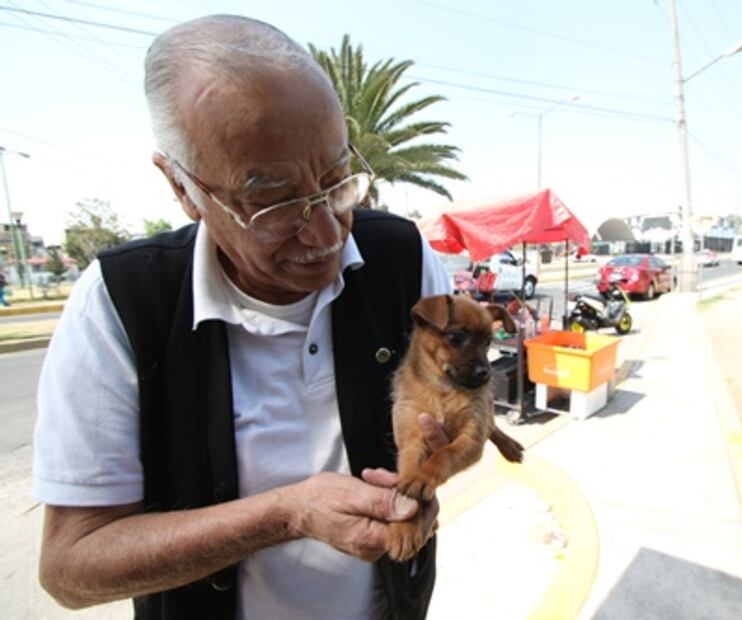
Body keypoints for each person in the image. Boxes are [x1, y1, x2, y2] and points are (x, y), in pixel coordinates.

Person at [33, 15, 452, 620]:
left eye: (337, 179)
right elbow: (71, 568)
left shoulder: (403, 261)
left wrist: (431, 462)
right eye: (274, 201)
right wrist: (285, 514)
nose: (327, 231)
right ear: (182, 187)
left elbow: (463, 413)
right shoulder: (121, 301)